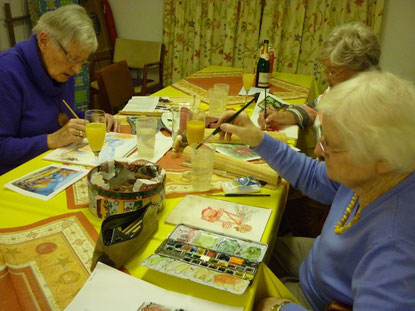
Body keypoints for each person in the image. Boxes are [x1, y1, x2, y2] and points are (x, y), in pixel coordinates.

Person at [217, 71, 415, 310]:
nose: (319, 152)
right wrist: (257, 137)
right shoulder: (377, 173)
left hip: (315, 299)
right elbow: (312, 176)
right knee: (225, 248)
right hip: (317, 264)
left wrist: (280, 308)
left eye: (330, 145)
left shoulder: (396, 251)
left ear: (382, 158)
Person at [0, 4, 120, 175]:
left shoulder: (61, 69)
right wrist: (52, 140)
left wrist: (93, 119)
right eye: (72, 58)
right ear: (43, 41)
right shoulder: (6, 73)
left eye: (83, 62)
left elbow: (58, 116)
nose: (77, 70)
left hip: (55, 165)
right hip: (14, 177)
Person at [258, 22, 380, 131]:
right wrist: (284, 116)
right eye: (326, 70)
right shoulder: (340, 90)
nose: (326, 77)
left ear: (361, 72)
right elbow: (315, 108)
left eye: (332, 71)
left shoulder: (366, 112)